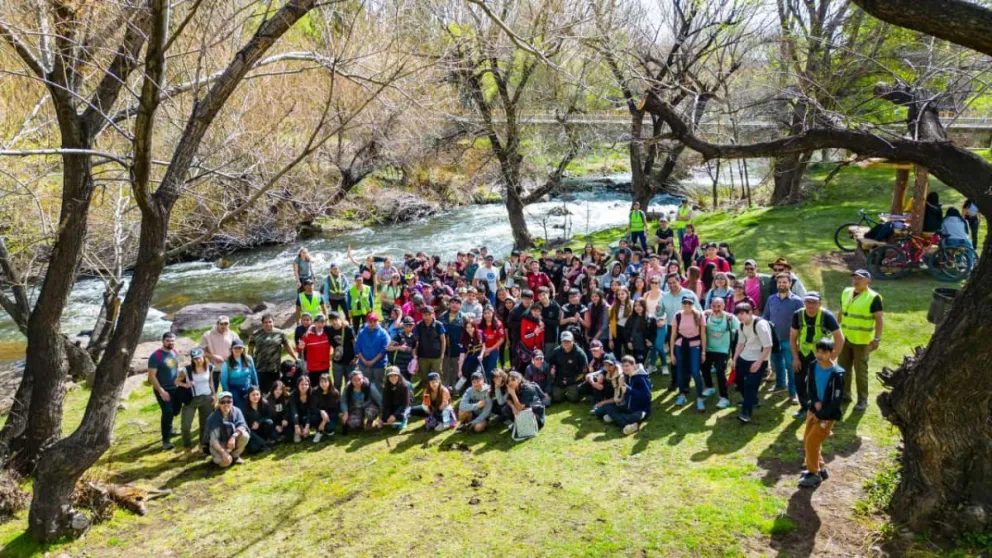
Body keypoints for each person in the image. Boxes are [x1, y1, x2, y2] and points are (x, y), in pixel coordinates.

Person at [799, 338, 846, 488]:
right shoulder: (813, 365)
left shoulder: (837, 374)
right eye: (817, 351)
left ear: (832, 353)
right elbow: (810, 386)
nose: (819, 355)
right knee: (808, 439)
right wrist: (814, 402)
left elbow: (836, 401)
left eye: (824, 352)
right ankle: (820, 468)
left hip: (827, 415)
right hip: (813, 410)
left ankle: (814, 474)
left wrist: (821, 413)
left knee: (812, 441)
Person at [790, 291, 844, 418]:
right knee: (799, 381)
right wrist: (795, 358)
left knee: (818, 383)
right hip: (803, 353)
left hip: (820, 355)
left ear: (820, 304)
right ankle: (804, 407)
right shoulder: (798, 315)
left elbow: (839, 338)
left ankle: (822, 407)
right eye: (807, 302)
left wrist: (833, 356)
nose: (810, 305)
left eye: (814, 302)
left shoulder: (827, 316)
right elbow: (792, 338)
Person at [837, 269, 883, 411]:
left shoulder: (873, 297)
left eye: (860, 279)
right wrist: (835, 330)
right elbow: (841, 312)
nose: (856, 281)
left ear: (868, 281)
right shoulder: (846, 292)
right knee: (843, 369)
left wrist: (876, 339)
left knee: (860, 371)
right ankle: (845, 396)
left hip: (862, 341)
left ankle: (862, 400)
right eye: (855, 278)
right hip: (845, 338)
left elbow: (879, 319)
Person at [762, 273, 804, 400]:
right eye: (779, 282)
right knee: (777, 363)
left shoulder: (797, 301)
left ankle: (793, 392)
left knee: (792, 367)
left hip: (790, 340)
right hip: (774, 339)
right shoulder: (771, 299)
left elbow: (801, 322)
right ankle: (780, 384)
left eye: (784, 282)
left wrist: (799, 340)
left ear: (790, 283)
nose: (781, 284)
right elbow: (765, 316)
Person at [732, 301, 773, 423]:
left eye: (742, 313)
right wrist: (734, 359)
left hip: (759, 359)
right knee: (739, 382)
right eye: (737, 314)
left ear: (750, 312)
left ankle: (746, 413)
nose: (739, 316)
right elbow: (740, 343)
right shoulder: (741, 324)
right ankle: (752, 401)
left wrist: (759, 363)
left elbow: (768, 347)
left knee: (750, 385)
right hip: (745, 356)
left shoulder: (760, 325)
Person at [658, 273, 701, 386]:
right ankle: (675, 381)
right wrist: (658, 310)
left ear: (679, 281)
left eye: (674, 282)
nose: (672, 285)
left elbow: (699, 311)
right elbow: (660, 312)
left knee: (686, 356)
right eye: (669, 283)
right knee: (674, 357)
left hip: (688, 329)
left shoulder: (689, 294)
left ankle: (685, 382)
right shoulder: (665, 297)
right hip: (672, 329)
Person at [593, 355, 652, 435]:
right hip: (627, 407)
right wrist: (602, 372)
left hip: (639, 410)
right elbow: (613, 364)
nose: (625, 368)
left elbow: (647, 397)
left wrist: (629, 390)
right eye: (623, 366)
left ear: (633, 365)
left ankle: (627, 424)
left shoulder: (640, 378)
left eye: (627, 366)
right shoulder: (627, 375)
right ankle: (621, 419)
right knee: (599, 411)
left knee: (610, 415)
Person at [670, 297, 708, 410]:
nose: (687, 305)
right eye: (685, 303)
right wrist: (671, 353)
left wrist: (703, 352)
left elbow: (703, 335)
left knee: (695, 371)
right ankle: (681, 395)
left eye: (689, 303)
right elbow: (673, 335)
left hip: (694, 345)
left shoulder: (699, 315)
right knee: (680, 371)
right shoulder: (678, 315)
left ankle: (700, 397)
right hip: (680, 345)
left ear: (693, 304)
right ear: (682, 304)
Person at [176, 347, 215, 452]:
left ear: (203, 357)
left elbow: (211, 382)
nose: (198, 360)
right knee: (185, 425)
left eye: (200, 358)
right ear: (192, 360)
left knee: (205, 423)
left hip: (206, 397)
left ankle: (202, 444)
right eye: (195, 359)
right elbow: (177, 382)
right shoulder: (187, 370)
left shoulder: (210, 367)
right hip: (191, 399)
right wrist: (186, 384)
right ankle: (187, 447)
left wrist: (214, 395)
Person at [248, 314, 297, 393]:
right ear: (262, 323)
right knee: (260, 391)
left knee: (274, 390)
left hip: (274, 368)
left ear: (273, 322)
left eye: (270, 322)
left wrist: (295, 358)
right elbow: (250, 351)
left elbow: (288, 347)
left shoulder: (280, 334)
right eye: (265, 322)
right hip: (260, 368)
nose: (268, 324)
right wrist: (248, 363)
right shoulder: (255, 334)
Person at [148, 332, 181, 450]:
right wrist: (161, 391)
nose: (170, 343)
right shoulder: (155, 356)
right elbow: (152, 376)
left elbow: (176, 369)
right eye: (168, 340)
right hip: (162, 389)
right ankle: (166, 440)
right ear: (163, 341)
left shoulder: (175, 352)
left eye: (172, 340)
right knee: (167, 412)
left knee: (175, 411)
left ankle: (170, 429)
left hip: (175, 388)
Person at [702, 297, 736, 409]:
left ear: (724, 306)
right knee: (704, 368)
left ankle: (724, 398)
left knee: (720, 373)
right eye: (714, 306)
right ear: (710, 306)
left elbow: (740, 328)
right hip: (708, 349)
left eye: (719, 306)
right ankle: (709, 387)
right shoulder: (706, 316)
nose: (716, 308)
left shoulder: (729, 318)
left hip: (722, 350)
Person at [206, 391, 250, 467]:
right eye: (223, 402)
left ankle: (235, 455)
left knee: (245, 435)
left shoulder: (237, 411)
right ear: (219, 404)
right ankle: (221, 457)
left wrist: (233, 437)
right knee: (225, 463)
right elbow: (213, 440)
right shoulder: (213, 418)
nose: (226, 404)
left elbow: (243, 425)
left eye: (228, 401)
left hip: (232, 440)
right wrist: (223, 453)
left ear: (232, 402)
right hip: (218, 444)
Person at [547, 331, 589, 402]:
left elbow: (583, 371)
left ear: (573, 341)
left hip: (573, 380)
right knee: (556, 398)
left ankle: (573, 391)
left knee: (573, 398)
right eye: (564, 341)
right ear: (561, 342)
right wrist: (552, 370)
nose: (566, 343)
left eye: (568, 341)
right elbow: (550, 363)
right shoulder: (556, 351)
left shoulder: (580, 353)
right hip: (559, 379)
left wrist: (571, 380)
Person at [201, 315, 241, 387]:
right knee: (212, 393)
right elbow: (200, 351)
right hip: (214, 369)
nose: (224, 326)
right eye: (221, 324)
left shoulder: (234, 335)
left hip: (230, 368)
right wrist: (213, 356)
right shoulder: (207, 335)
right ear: (217, 324)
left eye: (226, 324)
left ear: (229, 324)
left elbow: (240, 350)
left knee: (230, 392)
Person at [220, 339, 258, 410]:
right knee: (240, 409)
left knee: (250, 408)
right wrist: (228, 395)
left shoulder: (248, 359)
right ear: (231, 349)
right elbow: (223, 381)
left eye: (240, 347)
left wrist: (256, 387)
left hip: (247, 388)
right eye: (235, 348)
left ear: (243, 349)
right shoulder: (227, 363)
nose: (238, 349)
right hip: (234, 390)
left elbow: (253, 373)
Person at [355, 312, 390, 387]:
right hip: (364, 365)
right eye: (370, 321)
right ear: (367, 322)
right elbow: (357, 348)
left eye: (374, 321)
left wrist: (373, 361)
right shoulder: (362, 332)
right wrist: (364, 360)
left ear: (377, 321)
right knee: (365, 385)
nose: (372, 323)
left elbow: (384, 349)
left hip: (379, 365)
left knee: (378, 385)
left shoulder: (383, 333)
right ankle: (368, 399)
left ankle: (379, 399)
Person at [340, 369, 381, 434]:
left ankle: (369, 421)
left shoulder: (369, 385)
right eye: (355, 380)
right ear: (351, 381)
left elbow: (380, 400)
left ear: (363, 378)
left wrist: (382, 417)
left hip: (369, 406)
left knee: (370, 413)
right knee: (352, 424)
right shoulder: (348, 387)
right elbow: (343, 400)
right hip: (356, 407)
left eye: (359, 379)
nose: (358, 382)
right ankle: (360, 422)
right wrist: (345, 412)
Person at [297, 314, 332, 388]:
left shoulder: (328, 333)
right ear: (314, 323)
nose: (320, 324)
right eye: (318, 322)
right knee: (313, 389)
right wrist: (300, 346)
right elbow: (299, 349)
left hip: (325, 367)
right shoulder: (307, 335)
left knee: (325, 387)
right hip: (313, 368)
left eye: (322, 322)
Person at [414, 306, 446, 385]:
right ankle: (426, 392)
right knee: (424, 377)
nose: (427, 317)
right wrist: (415, 355)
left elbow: (443, 341)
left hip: (436, 356)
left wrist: (442, 354)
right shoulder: (418, 325)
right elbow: (415, 341)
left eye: (429, 314)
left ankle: (439, 392)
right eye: (425, 314)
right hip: (423, 356)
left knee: (437, 376)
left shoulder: (439, 325)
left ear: (433, 314)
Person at [439, 297, 466, 389]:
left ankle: (455, 387)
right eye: (452, 303)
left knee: (456, 368)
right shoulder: (442, 316)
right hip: (445, 347)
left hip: (458, 348)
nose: (454, 305)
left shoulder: (464, 317)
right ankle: (445, 386)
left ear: (460, 305)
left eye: (457, 303)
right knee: (445, 367)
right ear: (449, 304)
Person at [326, 311, 356, 390]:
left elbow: (354, 343)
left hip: (350, 361)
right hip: (337, 361)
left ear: (340, 319)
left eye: (336, 319)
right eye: (331, 320)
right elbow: (315, 326)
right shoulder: (328, 329)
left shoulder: (347, 329)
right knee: (337, 384)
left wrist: (356, 357)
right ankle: (337, 401)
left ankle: (348, 401)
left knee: (349, 384)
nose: (334, 322)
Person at [240, 386, 273, 454]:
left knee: (269, 422)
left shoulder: (265, 403)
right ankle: (263, 444)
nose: (256, 397)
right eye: (253, 395)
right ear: (248, 395)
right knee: (253, 449)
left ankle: (266, 440)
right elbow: (245, 427)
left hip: (262, 428)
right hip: (251, 432)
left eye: (257, 394)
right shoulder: (244, 407)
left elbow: (268, 416)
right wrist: (262, 442)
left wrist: (259, 422)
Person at [458, 317, 485, 392]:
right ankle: (465, 391)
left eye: (471, 327)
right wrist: (459, 370)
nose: (469, 329)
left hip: (478, 361)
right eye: (467, 327)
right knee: (466, 377)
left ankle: (478, 391)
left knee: (477, 376)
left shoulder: (480, 333)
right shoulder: (463, 338)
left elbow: (483, 346)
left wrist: (481, 355)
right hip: (468, 362)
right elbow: (462, 355)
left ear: (475, 327)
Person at [624, 298, 655, 365]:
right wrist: (628, 342)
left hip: (643, 346)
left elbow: (654, 332)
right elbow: (626, 331)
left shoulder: (650, 319)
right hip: (633, 346)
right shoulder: (631, 318)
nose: (637, 307)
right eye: (635, 305)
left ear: (644, 306)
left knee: (641, 365)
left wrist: (651, 341)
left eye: (640, 305)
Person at [388, 316, 418, 381]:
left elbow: (413, 350)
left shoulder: (413, 337)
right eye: (406, 326)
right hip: (399, 365)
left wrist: (415, 361)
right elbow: (388, 348)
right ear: (403, 326)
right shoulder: (399, 336)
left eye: (410, 326)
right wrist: (399, 347)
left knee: (407, 382)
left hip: (409, 365)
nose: (408, 328)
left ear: (413, 326)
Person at [479, 307, 505, 380]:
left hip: (494, 349)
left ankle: (490, 384)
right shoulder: (480, 324)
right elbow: (478, 339)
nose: (487, 315)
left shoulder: (498, 324)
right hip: (482, 349)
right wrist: (483, 350)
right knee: (482, 367)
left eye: (489, 313)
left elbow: (501, 339)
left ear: (493, 313)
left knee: (491, 369)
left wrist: (490, 349)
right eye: (485, 313)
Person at [608, 286, 633, 356]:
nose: (620, 296)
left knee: (629, 351)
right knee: (617, 352)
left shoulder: (632, 304)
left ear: (627, 294)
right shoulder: (614, 306)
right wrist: (610, 339)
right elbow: (611, 324)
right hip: (618, 330)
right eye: (618, 294)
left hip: (629, 331)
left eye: (622, 294)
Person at [537, 287, 562, 357]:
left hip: (551, 337)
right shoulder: (537, 306)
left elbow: (557, 322)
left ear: (548, 294)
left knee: (548, 357)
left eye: (544, 294)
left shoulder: (555, 306)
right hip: (538, 336)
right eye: (540, 296)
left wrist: (543, 320)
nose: (542, 297)